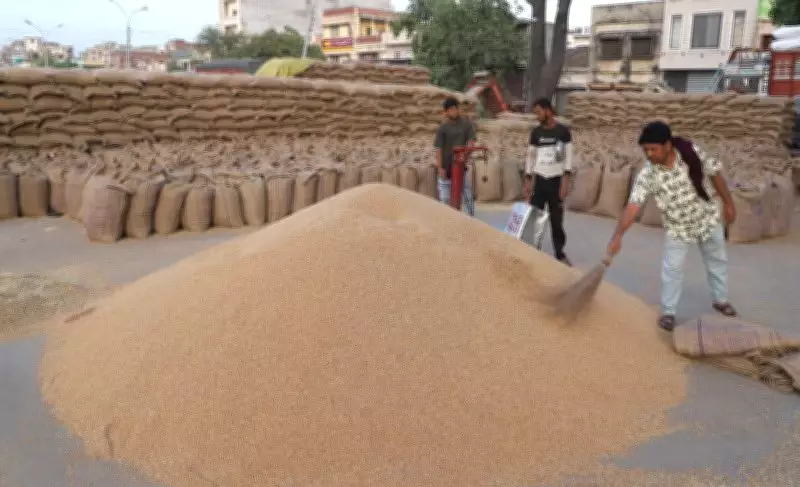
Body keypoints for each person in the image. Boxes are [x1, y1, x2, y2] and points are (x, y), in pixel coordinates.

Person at [606, 121, 738, 331]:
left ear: (667, 145)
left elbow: (714, 173)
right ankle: (669, 312)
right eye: (646, 150)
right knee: (672, 270)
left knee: (717, 260)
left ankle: (720, 300)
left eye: (653, 149)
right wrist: (618, 237)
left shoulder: (690, 152)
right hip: (678, 227)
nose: (649, 154)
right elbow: (633, 206)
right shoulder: (648, 174)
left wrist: (729, 203)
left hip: (707, 217)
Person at [523, 97, 574, 266]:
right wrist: (528, 180)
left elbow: (568, 159)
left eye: (538, 112)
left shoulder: (563, 132)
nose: (537, 116)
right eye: (535, 113)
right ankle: (532, 249)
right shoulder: (536, 133)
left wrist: (565, 182)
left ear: (548, 110)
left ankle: (559, 253)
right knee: (535, 216)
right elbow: (530, 157)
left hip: (556, 181)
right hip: (540, 180)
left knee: (556, 220)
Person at [434, 97, 477, 216]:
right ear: (446, 112)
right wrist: (440, 168)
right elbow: (438, 149)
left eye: (455, 108)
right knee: (445, 198)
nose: (454, 111)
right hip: (446, 166)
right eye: (451, 109)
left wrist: (467, 153)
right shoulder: (443, 128)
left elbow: (471, 141)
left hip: (460, 166)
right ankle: (445, 221)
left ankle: (470, 220)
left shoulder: (466, 124)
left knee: (467, 195)